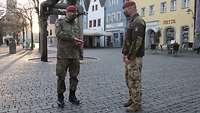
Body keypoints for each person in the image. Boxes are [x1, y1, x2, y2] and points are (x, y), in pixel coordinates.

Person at [55, 5, 84, 108]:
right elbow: (59, 34)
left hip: (74, 55)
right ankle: (60, 97)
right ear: (67, 12)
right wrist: (73, 38)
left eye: (75, 12)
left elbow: (78, 37)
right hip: (63, 55)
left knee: (74, 77)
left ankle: (72, 96)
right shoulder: (60, 22)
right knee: (61, 77)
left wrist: (79, 44)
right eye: (71, 12)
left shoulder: (76, 25)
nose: (73, 14)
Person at [122, 0, 146, 112]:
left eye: (125, 9)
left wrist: (130, 56)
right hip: (130, 57)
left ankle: (137, 104)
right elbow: (128, 40)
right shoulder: (132, 21)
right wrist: (124, 53)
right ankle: (132, 98)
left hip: (135, 58)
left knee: (135, 81)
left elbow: (137, 42)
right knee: (129, 79)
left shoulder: (138, 21)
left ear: (131, 7)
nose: (124, 11)